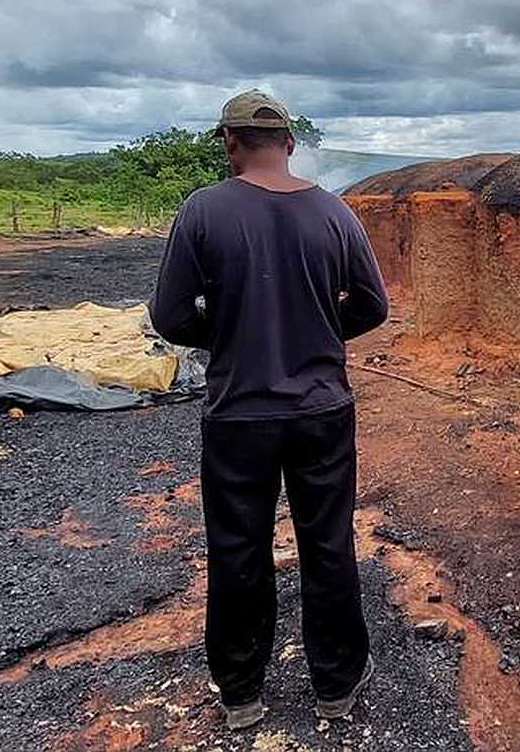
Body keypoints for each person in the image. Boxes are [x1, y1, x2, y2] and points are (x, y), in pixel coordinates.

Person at [148, 89, 389, 729]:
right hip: (321, 412)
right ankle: (336, 686)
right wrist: (316, 330)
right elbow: (372, 307)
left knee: (237, 549)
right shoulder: (335, 213)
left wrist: (231, 332)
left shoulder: (202, 211)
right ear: (288, 143)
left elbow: (169, 317)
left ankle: (241, 695)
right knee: (328, 545)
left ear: (228, 142)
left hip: (237, 415)